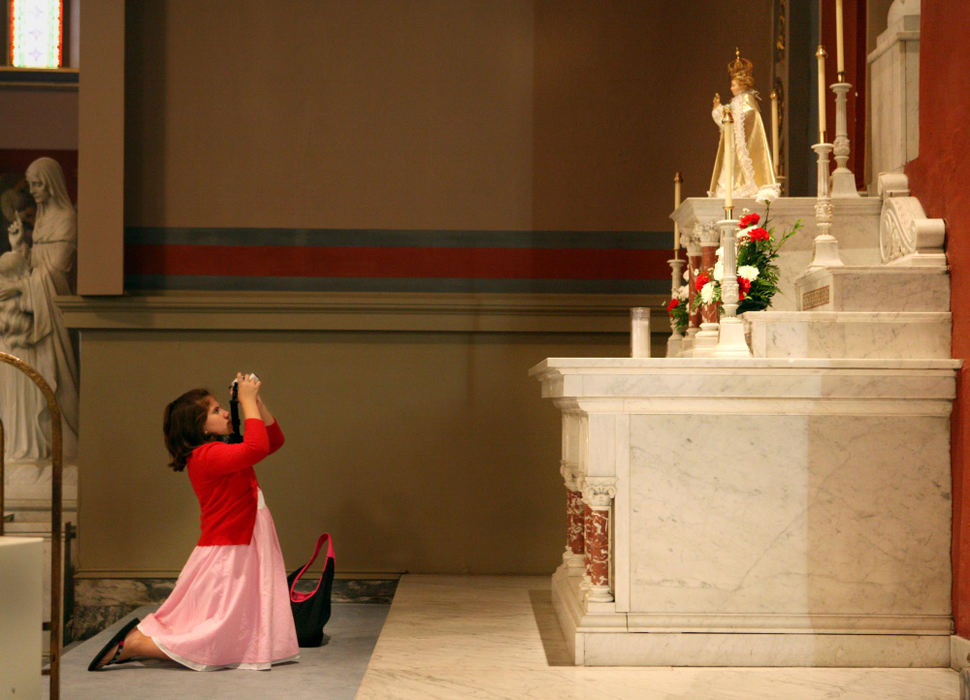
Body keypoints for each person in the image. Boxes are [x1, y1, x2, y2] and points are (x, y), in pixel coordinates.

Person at [88, 372, 299, 671]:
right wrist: (248, 402)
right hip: (232, 545)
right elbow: (257, 448)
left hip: (246, 538)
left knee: (231, 616)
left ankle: (144, 642)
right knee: (221, 621)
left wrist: (256, 404)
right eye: (216, 410)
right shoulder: (206, 455)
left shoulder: (220, 448)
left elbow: (273, 441)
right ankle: (138, 644)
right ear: (199, 426)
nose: (225, 412)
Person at [0, 156, 79, 459]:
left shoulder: (66, 218)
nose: (32, 190)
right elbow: (35, 267)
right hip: (34, 309)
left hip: (51, 312)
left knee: (57, 379)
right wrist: (19, 247)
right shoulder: (44, 218)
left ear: (50, 183)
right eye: (30, 184)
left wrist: (18, 286)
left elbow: (55, 273)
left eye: (37, 184)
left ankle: (60, 444)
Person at [708, 48, 779, 200]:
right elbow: (728, 122)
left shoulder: (747, 101)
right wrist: (718, 109)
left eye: (734, 85)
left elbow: (741, 121)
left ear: (742, 85)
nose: (731, 88)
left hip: (742, 146)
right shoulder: (737, 102)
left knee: (739, 169)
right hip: (734, 147)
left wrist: (723, 114)